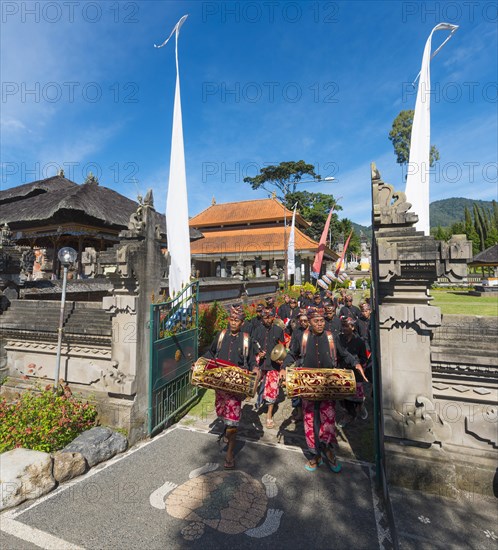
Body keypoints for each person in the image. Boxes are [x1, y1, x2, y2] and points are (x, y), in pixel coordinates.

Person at [282, 308, 366, 473]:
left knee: (327, 421)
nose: (320, 324)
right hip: (307, 385)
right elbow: (292, 354)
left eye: (322, 321)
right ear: (310, 322)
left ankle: (328, 451)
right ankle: (314, 455)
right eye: (316, 321)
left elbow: (344, 354)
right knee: (310, 421)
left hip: (328, 387)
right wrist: (284, 367)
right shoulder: (301, 337)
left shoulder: (332, 337)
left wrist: (355, 363)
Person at [202, 311, 257, 469]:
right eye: (231, 319)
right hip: (219, 384)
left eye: (237, 320)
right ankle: (227, 428)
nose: (234, 323)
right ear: (229, 320)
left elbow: (252, 360)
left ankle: (230, 454)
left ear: (242, 323)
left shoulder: (247, 339)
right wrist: (200, 362)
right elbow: (210, 352)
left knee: (232, 421)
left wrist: (254, 369)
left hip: (236, 386)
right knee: (221, 413)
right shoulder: (221, 335)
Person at [252, 308, 285, 429]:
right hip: (260, 363)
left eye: (270, 317)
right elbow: (253, 342)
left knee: (272, 390)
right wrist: (257, 352)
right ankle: (256, 402)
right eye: (265, 317)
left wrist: (281, 358)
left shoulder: (278, 330)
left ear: (273, 317)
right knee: (254, 383)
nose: (267, 319)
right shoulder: (257, 329)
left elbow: (282, 346)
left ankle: (269, 415)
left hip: (273, 364)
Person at [337, 316, 369, 426]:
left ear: (353, 327)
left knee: (357, 396)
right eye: (343, 326)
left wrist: (356, 363)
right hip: (342, 371)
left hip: (355, 372)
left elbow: (364, 358)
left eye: (347, 326)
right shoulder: (339, 339)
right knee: (344, 397)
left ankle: (361, 406)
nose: (344, 329)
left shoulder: (359, 341)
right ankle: (349, 414)